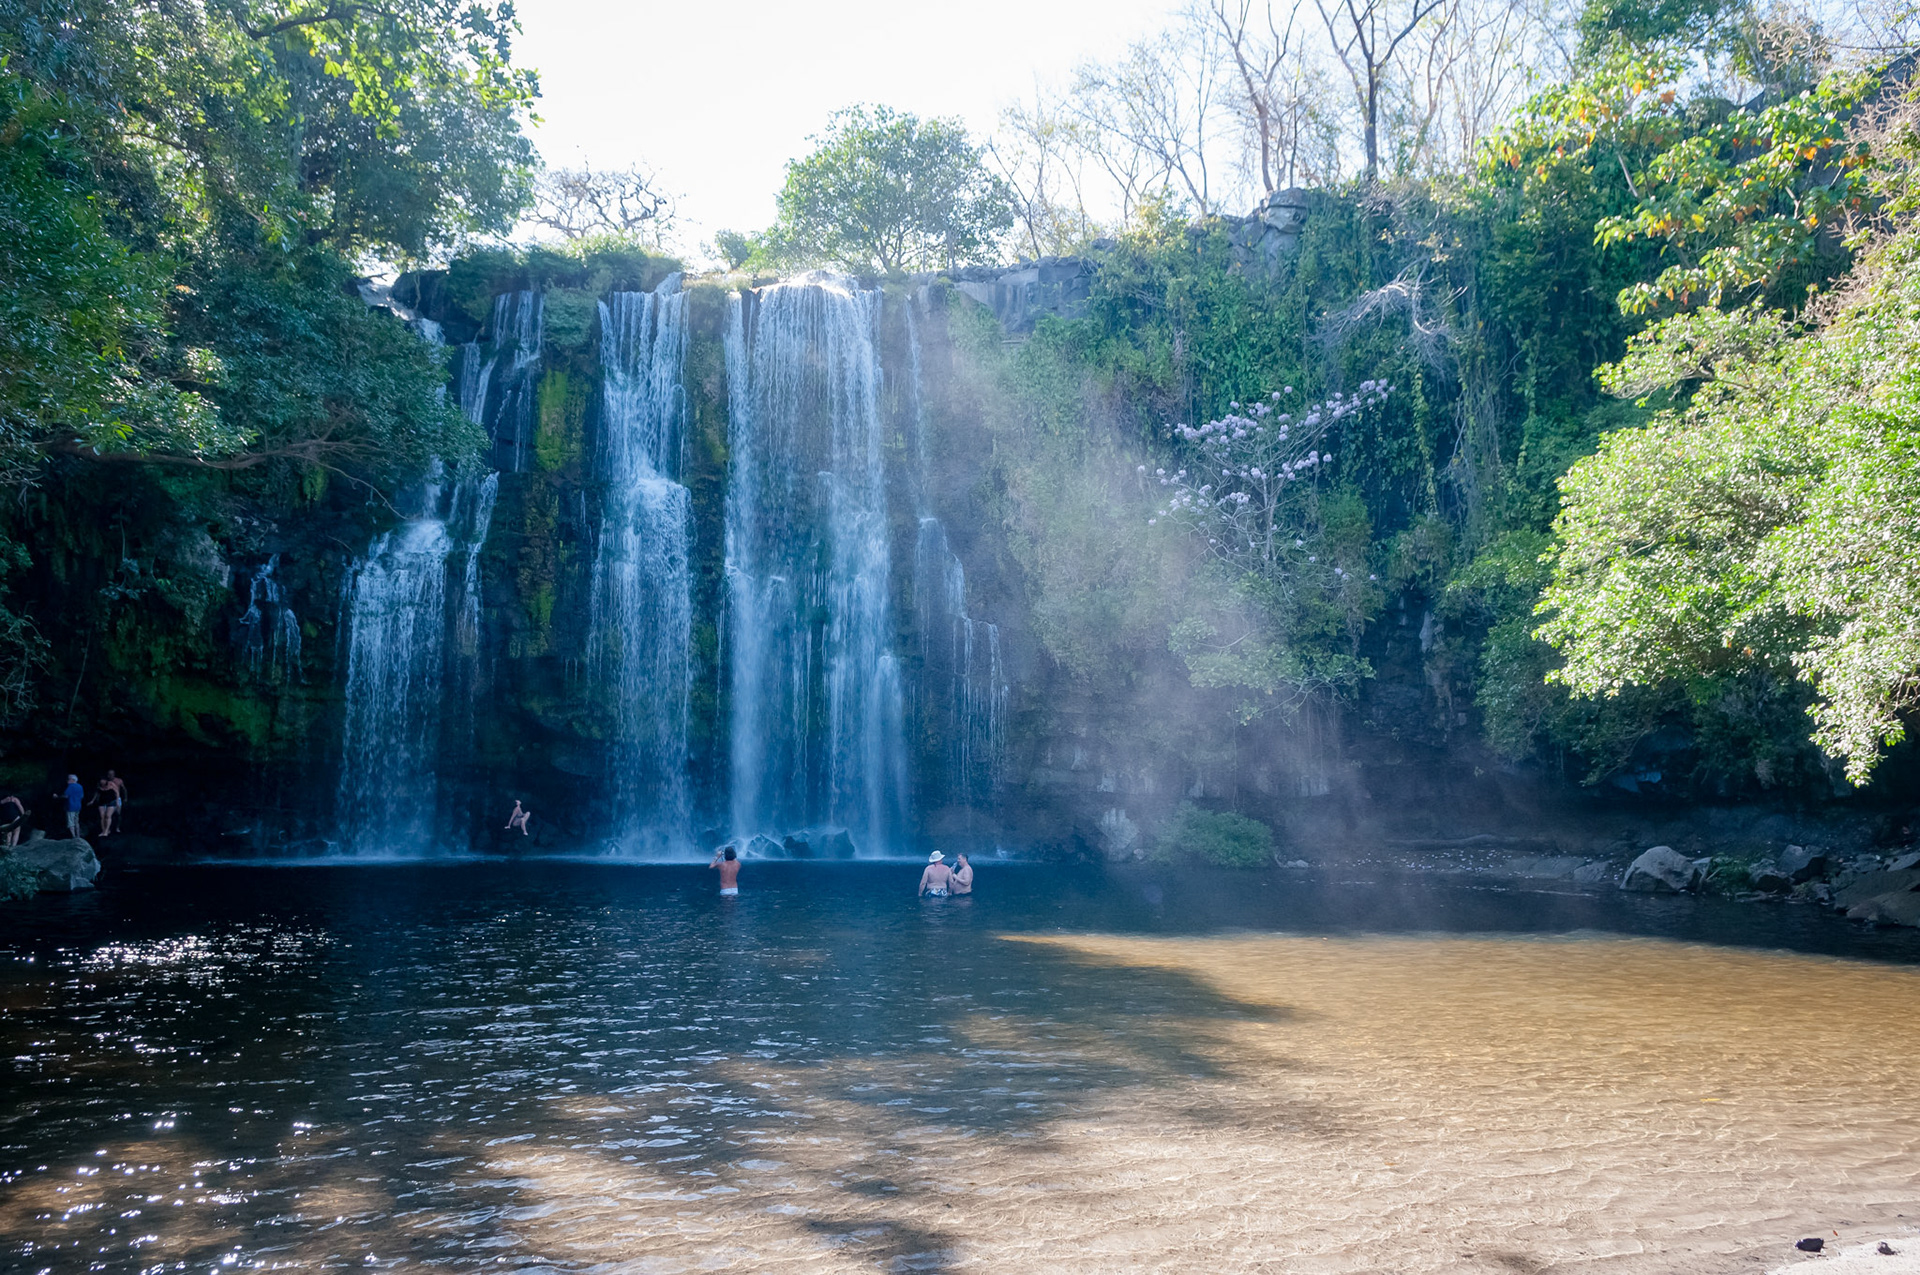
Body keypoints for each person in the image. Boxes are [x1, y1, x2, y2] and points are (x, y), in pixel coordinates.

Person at [93, 774, 120, 839]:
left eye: (103, 780)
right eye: (101, 780)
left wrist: (117, 801)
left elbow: (117, 792)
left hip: (111, 801)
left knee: (108, 816)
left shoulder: (111, 784)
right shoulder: (99, 786)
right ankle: (103, 830)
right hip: (102, 801)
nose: (102, 782)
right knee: (102, 816)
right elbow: (97, 793)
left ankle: (106, 831)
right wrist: (93, 800)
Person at [61, 774, 83, 838]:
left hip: (70, 806)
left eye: (68, 779)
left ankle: (73, 836)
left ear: (73, 780)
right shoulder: (80, 786)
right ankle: (78, 835)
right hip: (78, 806)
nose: (67, 780)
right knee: (76, 821)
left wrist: (57, 796)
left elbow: (65, 795)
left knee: (71, 822)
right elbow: (81, 796)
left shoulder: (71, 786)